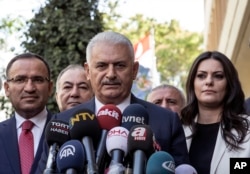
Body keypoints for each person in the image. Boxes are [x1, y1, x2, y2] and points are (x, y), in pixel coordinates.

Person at [37, 31, 189, 173]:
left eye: (120, 65)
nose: (110, 74)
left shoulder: (166, 121)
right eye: (102, 66)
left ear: (134, 70)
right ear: (88, 71)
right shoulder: (62, 123)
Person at [181, 51, 250, 174]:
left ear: (230, 84)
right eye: (201, 76)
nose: (208, 82)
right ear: (192, 83)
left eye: (218, 76)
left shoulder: (247, 129)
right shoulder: (178, 129)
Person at [0, 53, 54, 174]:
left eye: (38, 80)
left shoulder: (67, 132)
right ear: (7, 88)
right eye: (20, 80)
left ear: (50, 88)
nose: (29, 88)